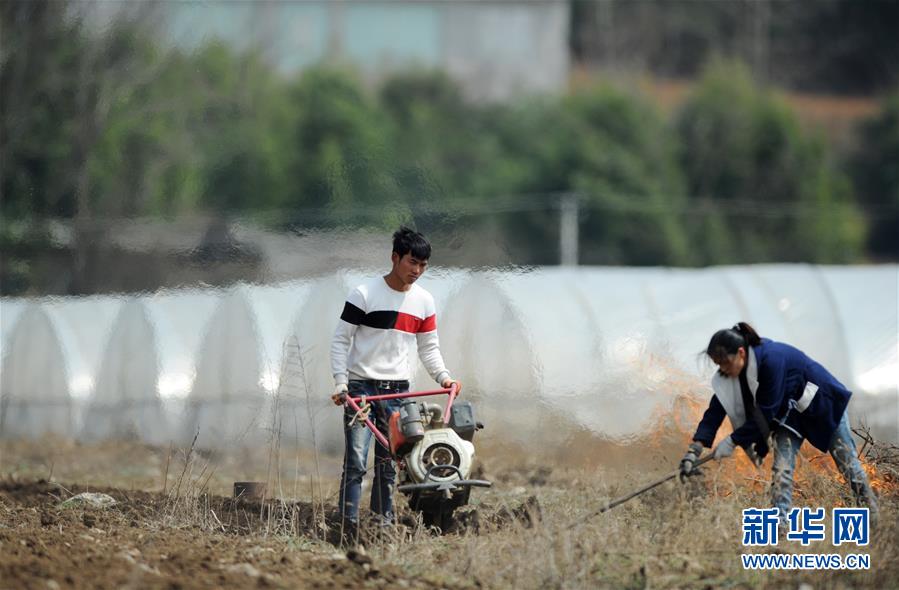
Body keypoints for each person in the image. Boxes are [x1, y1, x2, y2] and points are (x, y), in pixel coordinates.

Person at [330, 226, 461, 535]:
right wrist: (341, 382)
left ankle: (382, 526)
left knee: (390, 463)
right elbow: (340, 341)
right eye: (412, 262)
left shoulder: (424, 301)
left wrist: (444, 377)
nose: (417, 270)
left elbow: (428, 347)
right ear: (395, 258)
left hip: (398, 392)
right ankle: (348, 526)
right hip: (361, 390)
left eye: (423, 265)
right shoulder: (364, 294)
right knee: (356, 462)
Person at [679, 322, 878, 522]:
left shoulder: (772, 358)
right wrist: (694, 450)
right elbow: (715, 410)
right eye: (719, 364)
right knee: (782, 471)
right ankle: (781, 525)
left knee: (847, 463)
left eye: (726, 363)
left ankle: (872, 514)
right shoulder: (733, 373)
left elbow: (767, 411)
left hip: (822, 404)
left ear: (741, 352)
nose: (723, 369)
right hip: (788, 418)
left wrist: (733, 440)